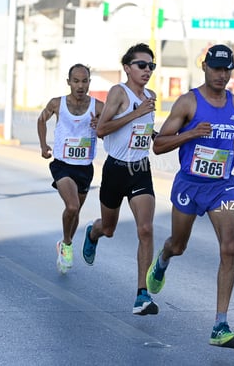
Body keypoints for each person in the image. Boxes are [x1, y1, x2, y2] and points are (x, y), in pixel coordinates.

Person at [145, 44, 234, 348]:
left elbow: (227, 136)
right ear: (204, 68)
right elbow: (160, 144)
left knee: (229, 249)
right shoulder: (188, 102)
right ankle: (163, 260)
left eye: (226, 69)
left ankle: (220, 326)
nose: (221, 75)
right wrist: (191, 133)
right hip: (190, 184)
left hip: (222, 186)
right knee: (179, 245)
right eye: (215, 68)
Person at [82, 43, 158, 316]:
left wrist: (155, 134)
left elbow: (143, 129)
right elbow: (102, 129)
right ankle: (93, 231)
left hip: (140, 169)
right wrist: (136, 112)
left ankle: (142, 295)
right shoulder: (118, 92)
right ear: (127, 67)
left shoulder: (151, 95)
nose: (147, 70)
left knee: (146, 229)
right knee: (110, 228)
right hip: (115, 169)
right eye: (141, 65)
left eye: (151, 66)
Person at [37, 63, 104, 274]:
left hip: (84, 167)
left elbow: (112, 126)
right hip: (62, 165)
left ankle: (65, 243)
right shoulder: (57, 104)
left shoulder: (98, 106)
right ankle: (66, 243)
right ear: (69, 82)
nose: (80, 85)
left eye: (84, 81)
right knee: (72, 206)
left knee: (75, 213)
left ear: (89, 83)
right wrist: (43, 145)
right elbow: (41, 119)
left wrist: (99, 126)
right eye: (76, 81)